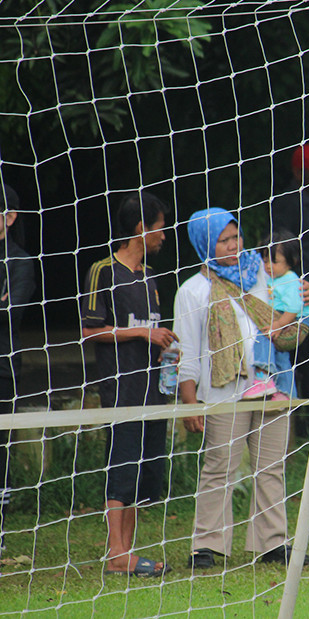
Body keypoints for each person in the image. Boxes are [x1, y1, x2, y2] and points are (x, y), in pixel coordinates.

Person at [175, 208, 309, 569]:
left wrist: (307, 295)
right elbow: (186, 351)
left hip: (274, 387)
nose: (234, 246)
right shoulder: (192, 291)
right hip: (222, 392)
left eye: (236, 237)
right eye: (224, 240)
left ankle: (273, 543)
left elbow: (291, 304)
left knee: (271, 466)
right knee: (220, 466)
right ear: (204, 243)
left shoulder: (262, 275)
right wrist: (190, 401)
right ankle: (206, 545)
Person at [81, 192, 175, 577]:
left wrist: (166, 347)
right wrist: (141, 333)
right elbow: (89, 331)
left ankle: (127, 554)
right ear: (141, 228)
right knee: (121, 467)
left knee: (142, 472)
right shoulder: (103, 270)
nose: (164, 236)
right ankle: (116, 552)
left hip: (152, 388)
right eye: (160, 227)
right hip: (120, 388)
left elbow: (150, 332)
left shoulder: (151, 277)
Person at [271, 142, 309, 435]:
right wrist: (295, 292)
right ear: (298, 172)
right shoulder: (287, 203)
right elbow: (283, 254)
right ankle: (295, 433)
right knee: (294, 363)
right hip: (296, 298)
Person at [0, 185, 34, 556]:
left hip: (3, 371)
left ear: (9, 217)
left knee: (0, 453)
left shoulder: (21, 262)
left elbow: (12, 314)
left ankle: (1, 529)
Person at [247, 230, 309, 401]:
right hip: (285, 319)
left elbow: (293, 308)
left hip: (294, 322)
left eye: (274, 261)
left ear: (291, 261)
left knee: (264, 336)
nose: (268, 266)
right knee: (282, 355)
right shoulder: (274, 278)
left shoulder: (290, 281)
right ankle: (286, 392)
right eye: (265, 260)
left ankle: (263, 376)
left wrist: (278, 326)